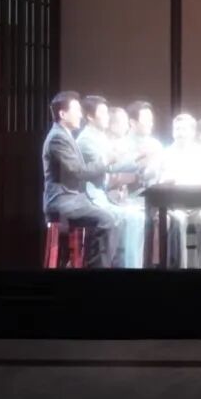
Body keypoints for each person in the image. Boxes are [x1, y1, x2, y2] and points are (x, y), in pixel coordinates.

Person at [41, 91, 135, 268]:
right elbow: (78, 171)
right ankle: (94, 267)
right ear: (63, 114)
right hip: (63, 202)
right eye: (76, 110)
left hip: (75, 199)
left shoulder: (65, 135)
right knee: (108, 220)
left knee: (113, 217)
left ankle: (83, 263)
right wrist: (106, 160)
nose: (80, 115)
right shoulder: (57, 138)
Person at [75, 95, 148, 268]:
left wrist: (136, 161)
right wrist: (138, 159)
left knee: (140, 214)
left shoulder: (99, 137)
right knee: (134, 217)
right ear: (90, 116)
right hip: (92, 198)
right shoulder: (86, 140)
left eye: (107, 112)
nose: (107, 117)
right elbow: (110, 166)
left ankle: (128, 263)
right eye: (103, 113)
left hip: (104, 195)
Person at [158, 113, 201, 268]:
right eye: (176, 129)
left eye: (183, 129)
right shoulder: (165, 153)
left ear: (192, 132)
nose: (180, 133)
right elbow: (159, 182)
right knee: (179, 221)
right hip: (175, 206)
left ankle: (200, 266)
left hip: (198, 205)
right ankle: (182, 267)